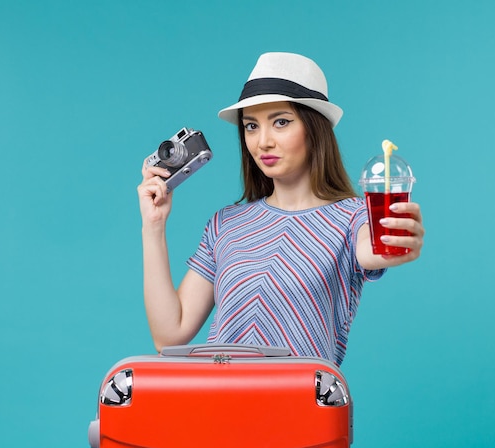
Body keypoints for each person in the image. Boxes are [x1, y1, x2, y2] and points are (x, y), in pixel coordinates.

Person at [137, 52, 424, 365]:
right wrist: (153, 227)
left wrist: (398, 236)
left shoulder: (352, 218)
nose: (263, 142)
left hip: (301, 408)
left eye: (281, 122)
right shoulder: (226, 225)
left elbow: (375, 248)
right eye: (251, 126)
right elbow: (169, 335)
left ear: (315, 129)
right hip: (219, 405)